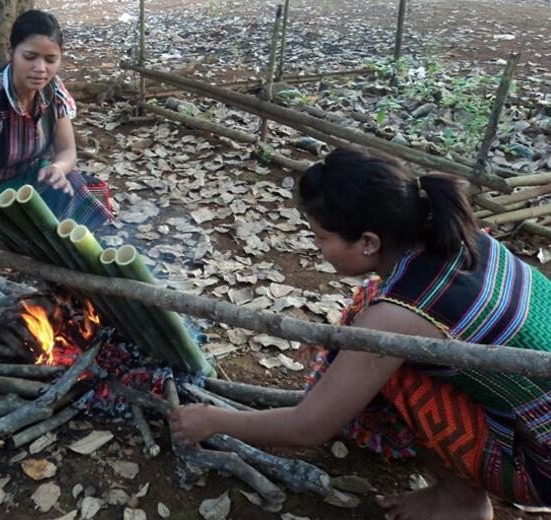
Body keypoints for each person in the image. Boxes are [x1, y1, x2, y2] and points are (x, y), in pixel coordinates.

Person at [171, 148, 550, 519]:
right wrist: (338, 338)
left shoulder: (401, 316)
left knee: (384, 365)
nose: (318, 248)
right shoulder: (462, 238)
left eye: (321, 237)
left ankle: (462, 498)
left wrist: (212, 420)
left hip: (540, 468)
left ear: (369, 242)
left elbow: (308, 427)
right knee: (366, 330)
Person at [0, 9, 113, 239]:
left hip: (29, 173)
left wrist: (57, 169)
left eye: (50, 60)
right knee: (1, 211)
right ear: (10, 51)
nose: (40, 69)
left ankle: (42, 244)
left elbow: (67, 152)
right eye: (30, 57)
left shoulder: (53, 90)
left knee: (80, 187)